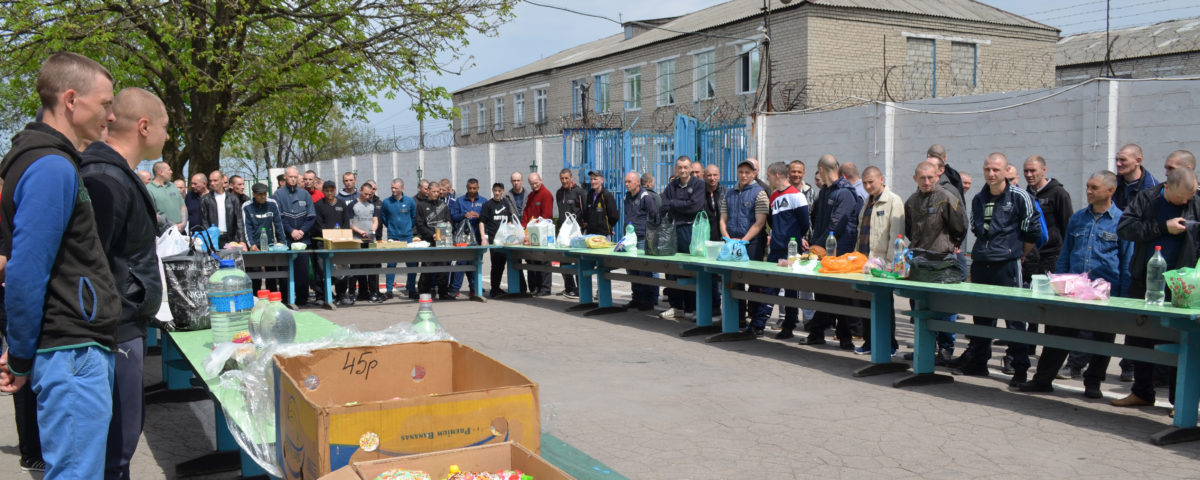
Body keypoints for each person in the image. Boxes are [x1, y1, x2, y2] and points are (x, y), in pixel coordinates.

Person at [0, 52, 122, 479]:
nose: (110, 115)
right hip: (71, 352)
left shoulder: (49, 160)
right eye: (105, 103)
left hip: (70, 349)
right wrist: (19, 355)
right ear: (71, 99)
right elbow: (24, 272)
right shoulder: (51, 166)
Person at [78, 87, 167, 480]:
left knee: (122, 444)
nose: (168, 136)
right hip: (112, 330)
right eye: (165, 127)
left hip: (124, 325)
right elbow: (90, 263)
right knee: (115, 448)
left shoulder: (115, 173)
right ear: (144, 126)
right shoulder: (105, 177)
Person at [1016, 170, 1132, 399]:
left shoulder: (1122, 222)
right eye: (1088, 186)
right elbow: (1066, 254)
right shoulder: (1078, 218)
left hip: (1104, 293)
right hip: (1073, 289)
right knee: (1058, 333)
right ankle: (1043, 379)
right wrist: (1058, 284)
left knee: (1102, 340)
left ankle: (1093, 383)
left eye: (1094, 188)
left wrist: (1124, 296)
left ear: (1111, 190)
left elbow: (1127, 261)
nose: (1088, 191)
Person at [951, 153, 1042, 386]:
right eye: (988, 169)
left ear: (1005, 172)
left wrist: (1018, 253)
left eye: (996, 170)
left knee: (1014, 318)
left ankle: (1020, 368)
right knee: (981, 317)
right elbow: (976, 228)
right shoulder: (979, 199)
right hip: (982, 263)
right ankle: (979, 362)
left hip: (1008, 264)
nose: (991, 174)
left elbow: (1032, 231)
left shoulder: (1020, 196)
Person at [1112, 168, 1200, 410]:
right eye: (1182, 198)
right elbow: (1125, 229)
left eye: (1189, 198)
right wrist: (1163, 227)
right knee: (1139, 338)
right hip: (1145, 280)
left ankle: (1180, 400)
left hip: (1181, 284)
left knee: (1180, 342)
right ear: (1167, 188)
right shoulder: (1147, 198)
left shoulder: (1195, 202)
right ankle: (1141, 392)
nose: (1186, 202)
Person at [904, 161, 968, 364]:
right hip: (919, 262)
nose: (926, 181)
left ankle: (946, 349)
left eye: (930, 177)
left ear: (937, 177)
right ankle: (925, 347)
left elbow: (960, 227)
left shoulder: (947, 197)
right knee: (920, 306)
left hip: (942, 261)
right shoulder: (912, 201)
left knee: (944, 307)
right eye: (922, 178)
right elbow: (908, 228)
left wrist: (949, 244)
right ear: (915, 179)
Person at [799, 154, 863, 349]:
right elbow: (819, 222)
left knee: (839, 295)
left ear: (822, 169)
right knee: (824, 293)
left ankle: (844, 337)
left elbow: (837, 224)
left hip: (839, 251)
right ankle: (818, 332)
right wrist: (814, 244)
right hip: (824, 250)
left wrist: (816, 247)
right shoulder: (826, 191)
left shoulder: (843, 193)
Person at [753, 162, 809, 339]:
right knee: (769, 286)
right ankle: (759, 323)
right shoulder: (774, 196)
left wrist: (793, 238)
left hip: (791, 250)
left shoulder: (797, 196)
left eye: (769, 175)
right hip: (775, 248)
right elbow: (770, 221)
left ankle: (789, 326)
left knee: (791, 290)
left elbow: (804, 223)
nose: (767, 179)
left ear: (777, 175)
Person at [853, 166, 904, 355]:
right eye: (864, 183)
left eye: (871, 182)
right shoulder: (868, 202)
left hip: (883, 263)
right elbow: (861, 233)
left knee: (884, 304)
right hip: (865, 262)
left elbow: (896, 234)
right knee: (866, 302)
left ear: (881, 179)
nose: (867, 186)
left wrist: (891, 264)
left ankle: (889, 343)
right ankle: (869, 341)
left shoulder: (893, 201)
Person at [720, 160, 768, 329]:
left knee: (753, 282)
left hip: (752, 243)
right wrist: (728, 239)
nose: (744, 175)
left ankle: (754, 319)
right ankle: (737, 317)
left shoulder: (760, 193)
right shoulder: (729, 193)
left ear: (754, 173)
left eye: (748, 172)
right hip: (732, 242)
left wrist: (744, 241)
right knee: (734, 280)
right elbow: (723, 218)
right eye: (741, 172)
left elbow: (760, 223)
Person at [659, 156, 705, 321]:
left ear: (691, 168)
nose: (683, 170)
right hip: (673, 230)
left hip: (691, 231)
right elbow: (663, 206)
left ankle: (693, 308)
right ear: (676, 169)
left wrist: (674, 203)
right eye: (680, 167)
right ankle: (676, 306)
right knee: (672, 270)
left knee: (690, 270)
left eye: (686, 167)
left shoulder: (699, 185)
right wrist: (681, 204)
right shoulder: (672, 185)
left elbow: (695, 207)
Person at [273, 166, 316, 307]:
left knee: (303, 271)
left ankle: (302, 299)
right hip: (286, 239)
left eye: (295, 176)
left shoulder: (305, 195)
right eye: (290, 176)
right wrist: (291, 231)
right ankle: (286, 299)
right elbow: (279, 218)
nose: (293, 179)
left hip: (303, 240)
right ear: (285, 177)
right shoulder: (277, 195)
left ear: (298, 177)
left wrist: (302, 231)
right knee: (286, 272)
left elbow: (311, 216)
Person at [623, 171, 660, 310]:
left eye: (629, 182)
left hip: (642, 238)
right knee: (632, 270)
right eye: (625, 182)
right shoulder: (627, 196)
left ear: (638, 182)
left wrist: (649, 234)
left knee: (645, 270)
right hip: (630, 238)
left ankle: (649, 300)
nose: (626, 184)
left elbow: (655, 215)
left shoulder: (646, 196)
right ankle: (637, 298)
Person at [481, 182, 525, 297]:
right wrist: (483, 238)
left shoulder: (505, 203)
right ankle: (494, 289)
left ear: (503, 191)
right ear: (492, 191)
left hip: (505, 241)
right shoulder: (488, 205)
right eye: (495, 190)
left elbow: (509, 221)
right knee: (496, 265)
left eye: (499, 191)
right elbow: (482, 222)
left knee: (503, 264)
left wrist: (512, 236)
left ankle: (501, 288)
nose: (497, 193)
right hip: (494, 241)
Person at [314, 181, 351, 305]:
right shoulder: (319, 205)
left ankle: (341, 294)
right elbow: (319, 224)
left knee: (341, 269)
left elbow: (346, 223)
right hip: (323, 243)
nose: (329, 193)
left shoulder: (341, 204)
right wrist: (329, 235)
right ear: (323, 191)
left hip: (339, 243)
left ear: (335, 190)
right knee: (322, 270)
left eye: (332, 190)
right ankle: (322, 296)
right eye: (327, 191)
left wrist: (341, 236)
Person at [381, 178, 417, 300]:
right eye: (392, 187)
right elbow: (384, 218)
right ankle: (389, 290)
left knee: (411, 264)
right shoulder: (386, 202)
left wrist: (406, 229)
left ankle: (412, 289)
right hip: (393, 237)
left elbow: (413, 217)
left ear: (402, 188)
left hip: (407, 236)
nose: (393, 190)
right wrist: (392, 229)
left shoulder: (410, 201)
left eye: (396, 188)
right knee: (391, 264)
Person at [416, 182, 453, 299]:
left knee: (443, 268)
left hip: (442, 242)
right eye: (434, 191)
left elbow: (448, 221)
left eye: (438, 192)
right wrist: (432, 234)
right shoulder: (421, 206)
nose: (436, 194)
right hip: (428, 242)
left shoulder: (443, 206)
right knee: (427, 268)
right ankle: (424, 292)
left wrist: (446, 228)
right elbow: (420, 225)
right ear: (428, 191)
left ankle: (443, 293)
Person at [347, 182, 382, 303]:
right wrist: (360, 231)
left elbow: (375, 220)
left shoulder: (372, 205)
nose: (368, 196)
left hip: (370, 240)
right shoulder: (352, 205)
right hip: (357, 241)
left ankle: (373, 293)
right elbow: (351, 223)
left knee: (372, 267)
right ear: (361, 191)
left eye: (370, 194)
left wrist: (373, 229)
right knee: (355, 268)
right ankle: (351, 293)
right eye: (366, 194)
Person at [522, 172, 555, 296]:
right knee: (532, 260)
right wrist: (524, 227)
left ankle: (545, 288)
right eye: (532, 184)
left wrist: (534, 226)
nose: (534, 185)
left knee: (543, 261)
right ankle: (534, 287)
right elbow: (526, 212)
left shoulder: (546, 195)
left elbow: (546, 216)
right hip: (531, 233)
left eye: (536, 183)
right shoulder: (531, 196)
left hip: (542, 233)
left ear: (540, 180)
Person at [449, 178, 484, 297]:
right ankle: (455, 289)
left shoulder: (484, 201)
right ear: (466, 188)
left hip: (477, 237)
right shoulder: (459, 201)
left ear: (478, 188)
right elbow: (453, 216)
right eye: (470, 188)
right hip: (463, 238)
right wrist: (464, 215)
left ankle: (474, 289)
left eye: (474, 188)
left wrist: (479, 217)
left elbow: (486, 219)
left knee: (475, 263)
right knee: (461, 263)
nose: (472, 190)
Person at [555, 169, 585, 297]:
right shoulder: (559, 192)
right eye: (562, 178)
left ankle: (581, 288)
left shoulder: (579, 192)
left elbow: (584, 210)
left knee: (577, 261)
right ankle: (569, 288)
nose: (564, 181)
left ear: (571, 178)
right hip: (563, 233)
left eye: (566, 178)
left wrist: (583, 224)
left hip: (576, 233)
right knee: (563, 261)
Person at [200, 170, 242, 247]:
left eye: (215, 180)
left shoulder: (233, 199)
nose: (212, 183)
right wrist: (209, 237)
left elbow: (239, 220)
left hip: (230, 238)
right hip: (213, 238)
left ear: (222, 180)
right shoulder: (205, 199)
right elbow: (204, 221)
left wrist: (242, 240)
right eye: (211, 181)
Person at [1114, 143, 1159, 210]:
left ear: (1138, 161)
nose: (1118, 164)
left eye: (1123, 160)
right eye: (1117, 160)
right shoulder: (1112, 183)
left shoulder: (1152, 188)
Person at [145, 161, 186, 233]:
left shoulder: (172, 186)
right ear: (161, 172)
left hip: (180, 231)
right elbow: (152, 214)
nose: (171, 172)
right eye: (169, 170)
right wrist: (171, 225)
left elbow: (182, 207)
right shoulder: (148, 189)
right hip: (163, 233)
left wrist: (183, 223)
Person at [583, 170, 619, 237]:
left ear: (602, 180)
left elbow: (614, 216)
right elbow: (587, 213)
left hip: (603, 235)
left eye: (595, 179)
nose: (593, 182)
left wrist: (606, 226)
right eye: (591, 179)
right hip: (590, 234)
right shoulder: (590, 194)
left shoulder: (606, 195)